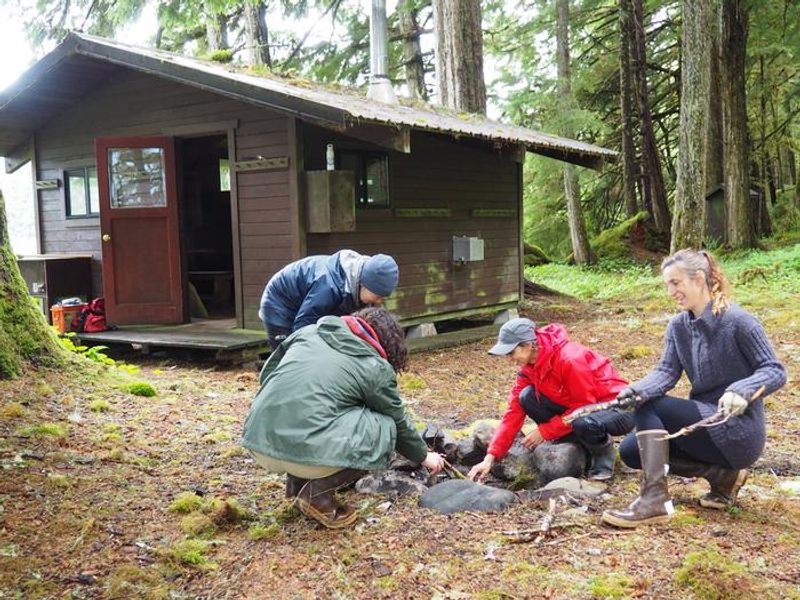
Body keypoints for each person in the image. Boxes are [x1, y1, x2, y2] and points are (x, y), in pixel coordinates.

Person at [602, 249, 787, 528]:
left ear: (698, 278)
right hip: (706, 425)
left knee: (649, 406)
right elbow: (666, 372)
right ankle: (723, 476)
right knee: (630, 450)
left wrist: (742, 389)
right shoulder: (678, 326)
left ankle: (654, 501)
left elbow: (775, 370)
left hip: (739, 431)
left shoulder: (739, 321)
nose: (670, 291)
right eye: (667, 285)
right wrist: (636, 390)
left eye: (675, 283)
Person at [242, 307, 444, 529]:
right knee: (384, 427)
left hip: (258, 442)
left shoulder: (307, 333)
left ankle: (296, 486)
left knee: (312, 413)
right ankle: (317, 493)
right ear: (389, 343)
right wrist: (424, 456)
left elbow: (267, 375)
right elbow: (396, 420)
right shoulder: (373, 365)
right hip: (300, 453)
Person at [468, 318, 634, 483]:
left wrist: (546, 431)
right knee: (526, 396)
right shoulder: (529, 368)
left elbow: (585, 406)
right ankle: (577, 443)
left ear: (528, 345)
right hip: (579, 410)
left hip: (616, 409)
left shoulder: (569, 359)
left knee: (583, 421)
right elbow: (513, 412)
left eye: (511, 353)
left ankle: (602, 453)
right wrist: (490, 457)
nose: (509, 359)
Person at [258, 250, 399, 350]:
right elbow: (303, 325)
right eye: (378, 296)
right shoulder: (328, 286)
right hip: (279, 305)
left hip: (306, 305)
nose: (379, 302)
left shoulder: (355, 286)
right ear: (364, 284)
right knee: (288, 355)